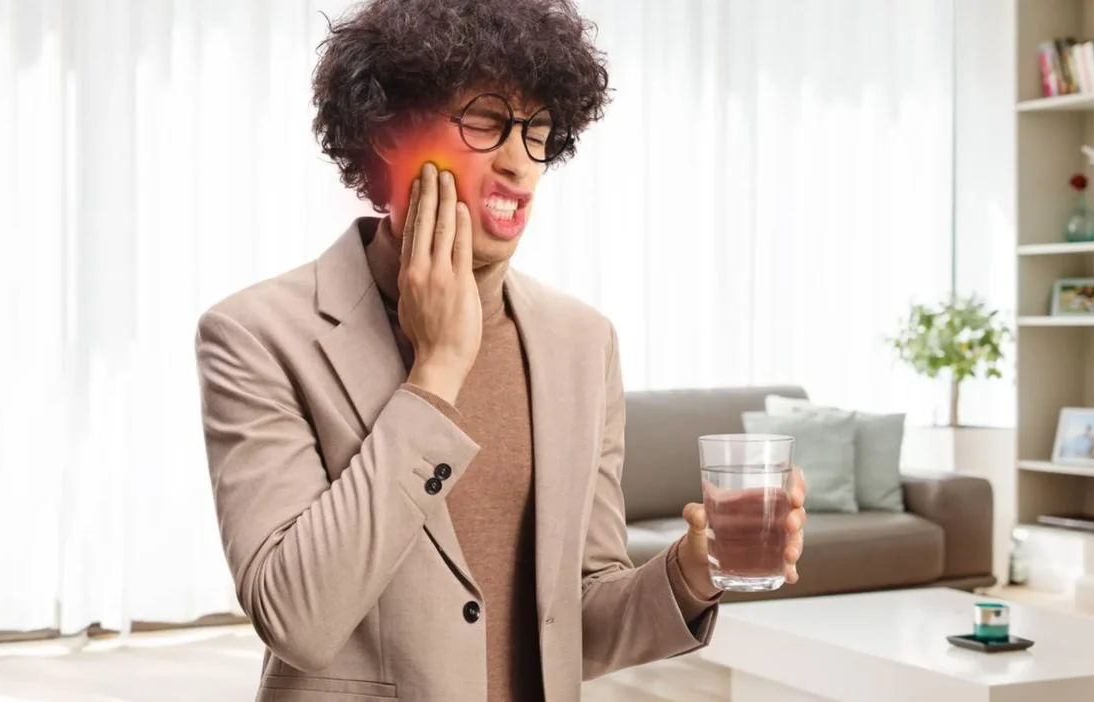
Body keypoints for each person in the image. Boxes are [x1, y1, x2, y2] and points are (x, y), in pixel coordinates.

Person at [193, 1, 807, 700]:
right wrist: (436, 373)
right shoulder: (256, 335)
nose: (519, 164)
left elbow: (572, 624)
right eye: (485, 121)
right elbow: (296, 617)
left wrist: (690, 573)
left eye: (538, 129)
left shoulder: (582, 342)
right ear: (388, 132)